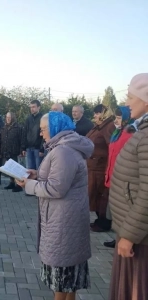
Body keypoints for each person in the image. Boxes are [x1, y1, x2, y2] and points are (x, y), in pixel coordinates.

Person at [16, 112, 93, 300]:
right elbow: (60, 178)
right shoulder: (64, 146)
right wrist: (36, 175)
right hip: (68, 218)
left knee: (61, 279)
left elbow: (56, 189)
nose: (41, 134)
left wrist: (29, 185)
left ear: (55, 128)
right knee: (69, 280)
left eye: (43, 129)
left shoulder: (63, 151)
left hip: (63, 221)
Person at [108, 73, 148, 300]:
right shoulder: (141, 130)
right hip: (134, 235)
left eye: (131, 97)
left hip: (139, 240)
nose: (126, 103)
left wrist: (129, 235)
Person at [102, 106, 135, 249]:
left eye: (119, 118)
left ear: (126, 118)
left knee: (122, 211)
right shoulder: (117, 133)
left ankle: (123, 239)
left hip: (122, 178)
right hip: (112, 175)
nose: (116, 120)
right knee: (115, 210)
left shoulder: (131, 134)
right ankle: (117, 237)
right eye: (115, 117)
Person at [86, 104, 115, 232]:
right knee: (95, 195)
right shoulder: (99, 127)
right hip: (93, 166)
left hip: (101, 167)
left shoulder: (109, 127)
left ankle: (104, 222)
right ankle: (99, 220)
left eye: (97, 113)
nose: (95, 116)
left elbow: (112, 147)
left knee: (101, 196)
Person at [0, 112, 23, 192]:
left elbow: (22, 140)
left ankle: (19, 185)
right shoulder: (3, 127)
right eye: (7, 117)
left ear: (13, 118)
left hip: (15, 151)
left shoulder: (18, 127)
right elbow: (0, 140)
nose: (8, 119)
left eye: (10, 117)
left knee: (16, 170)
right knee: (10, 169)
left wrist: (22, 150)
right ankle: (11, 183)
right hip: (5, 151)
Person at [22, 100, 44, 170]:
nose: (32, 109)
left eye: (34, 107)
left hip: (38, 149)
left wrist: (42, 149)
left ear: (39, 107)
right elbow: (24, 133)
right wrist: (23, 147)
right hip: (29, 148)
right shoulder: (28, 119)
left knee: (39, 170)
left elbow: (44, 134)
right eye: (30, 107)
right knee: (30, 171)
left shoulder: (43, 118)